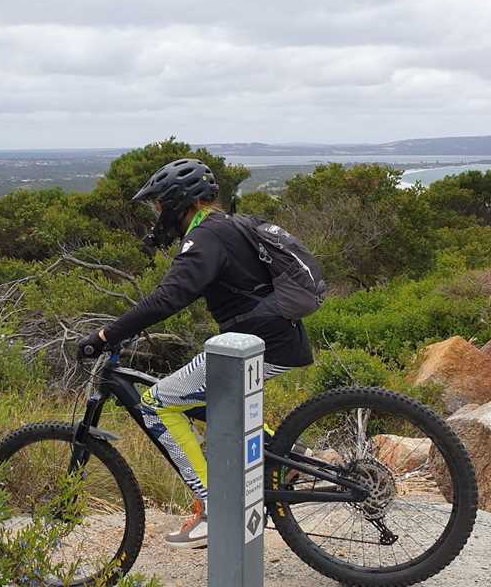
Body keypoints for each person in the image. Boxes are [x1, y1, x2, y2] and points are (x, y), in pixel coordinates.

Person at [77, 158, 314, 549]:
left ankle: (216, 510)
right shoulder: (226, 225)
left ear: (175, 201)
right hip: (273, 339)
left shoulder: (205, 236)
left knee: (156, 404)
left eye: (157, 204)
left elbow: (171, 296)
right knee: (201, 402)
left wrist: (106, 334)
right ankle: (288, 457)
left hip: (252, 344)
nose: (156, 213)